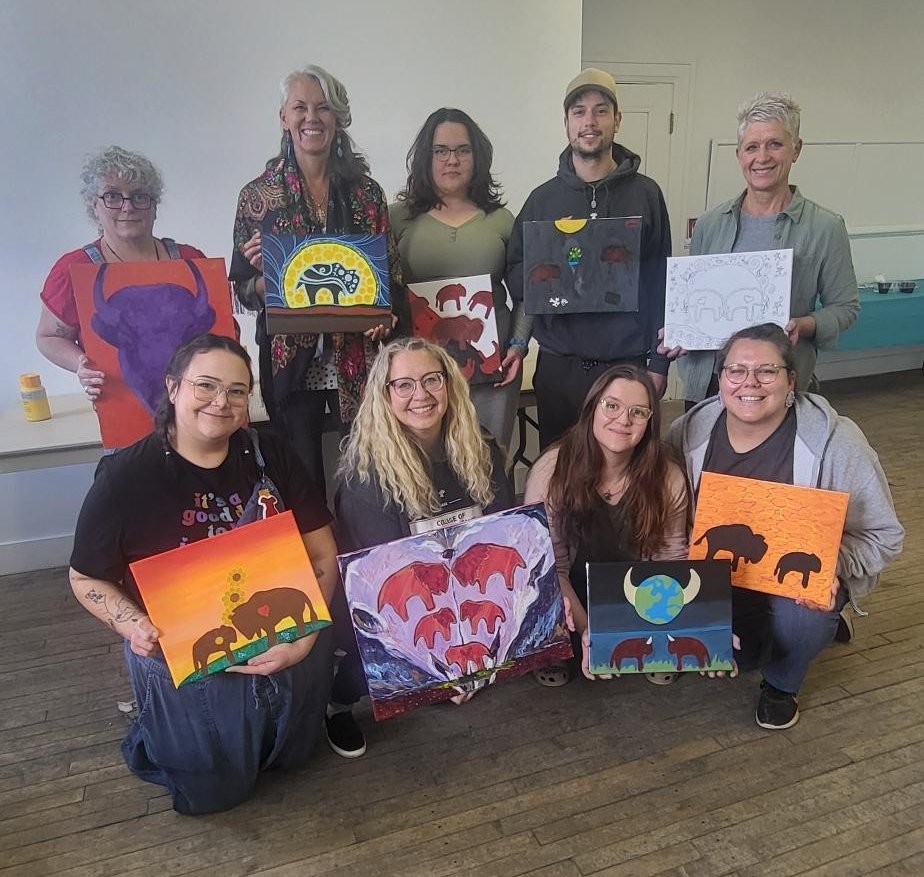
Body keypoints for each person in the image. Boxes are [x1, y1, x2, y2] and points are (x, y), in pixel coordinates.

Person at [68, 334, 338, 814]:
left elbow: (322, 554)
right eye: (206, 385)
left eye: (237, 390)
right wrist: (134, 625)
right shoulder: (124, 477)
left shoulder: (271, 453)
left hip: (285, 627)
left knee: (295, 759)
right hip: (181, 647)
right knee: (213, 791)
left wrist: (305, 637)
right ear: (173, 388)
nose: (222, 402)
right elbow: (85, 578)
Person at [669, 323, 903, 729]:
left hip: (793, 586)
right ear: (720, 378)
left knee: (804, 620)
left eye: (767, 371)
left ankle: (782, 683)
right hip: (722, 573)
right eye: (736, 370)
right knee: (736, 658)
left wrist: (831, 567)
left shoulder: (836, 441)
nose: (750, 383)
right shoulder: (689, 430)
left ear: (791, 380)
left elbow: (884, 535)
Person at [330, 337, 515, 757]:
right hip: (394, 601)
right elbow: (387, 578)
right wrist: (440, 671)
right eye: (404, 385)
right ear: (385, 395)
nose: (421, 395)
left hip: (462, 585)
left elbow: (498, 535)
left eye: (432, 380)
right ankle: (335, 702)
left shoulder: (480, 450)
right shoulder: (367, 476)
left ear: (449, 385)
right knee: (370, 663)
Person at [230, 64, 405, 493]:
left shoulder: (367, 193)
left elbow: (390, 279)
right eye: (301, 107)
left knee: (369, 473)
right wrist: (259, 276)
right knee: (302, 474)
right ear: (284, 117)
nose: (312, 117)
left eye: (323, 107)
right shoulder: (257, 197)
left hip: (358, 359)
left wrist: (388, 316)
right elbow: (241, 290)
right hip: (291, 361)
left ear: (339, 118)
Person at [506, 68, 672, 450]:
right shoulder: (542, 200)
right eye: (579, 112)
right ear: (566, 123)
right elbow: (516, 270)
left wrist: (658, 365)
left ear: (617, 120)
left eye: (600, 111)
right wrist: (551, 286)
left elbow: (663, 281)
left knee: (628, 478)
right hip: (560, 369)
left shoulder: (646, 195)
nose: (590, 122)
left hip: (626, 368)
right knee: (561, 478)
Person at [677, 93, 859, 408]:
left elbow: (845, 307)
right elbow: (694, 304)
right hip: (710, 385)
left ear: (796, 149)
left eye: (774, 144)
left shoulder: (825, 227)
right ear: (739, 155)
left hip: (779, 390)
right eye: (752, 147)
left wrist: (804, 325)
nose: (762, 157)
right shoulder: (710, 224)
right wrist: (680, 328)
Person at [524, 364, 691, 685]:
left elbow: (671, 560)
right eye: (611, 405)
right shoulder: (551, 471)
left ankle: (637, 632)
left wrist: (666, 626)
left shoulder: (668, 475)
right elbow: (550, 568)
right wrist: (590, 633)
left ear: (650, 422)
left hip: (635, 590)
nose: (623, 419)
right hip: (569, 584)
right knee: (544, 601)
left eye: (638, 412)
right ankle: (558, 641)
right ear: (592, 409)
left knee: (663, 650)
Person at [390, 108, 527, 454]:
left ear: (477, 157)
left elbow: (528, 292)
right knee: (424, 463)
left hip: (492, 370)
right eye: (441, 151)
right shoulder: (397, 218)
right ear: (426, 157)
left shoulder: (501, 220)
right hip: (421, 376)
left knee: (489, 457)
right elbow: (380, 291)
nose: (452, 160)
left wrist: (519, 344)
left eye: (463, 150)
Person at [36, 146, 206, 401]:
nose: (128, 207)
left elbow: (218, 329)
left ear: (154, 206)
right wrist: (80, 364)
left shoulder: (191, 260)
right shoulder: (74, 268)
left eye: (139, 196)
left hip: (200, 406)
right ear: (94, 205)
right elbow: (48, 336)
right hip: (122, 407)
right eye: (113, 196)